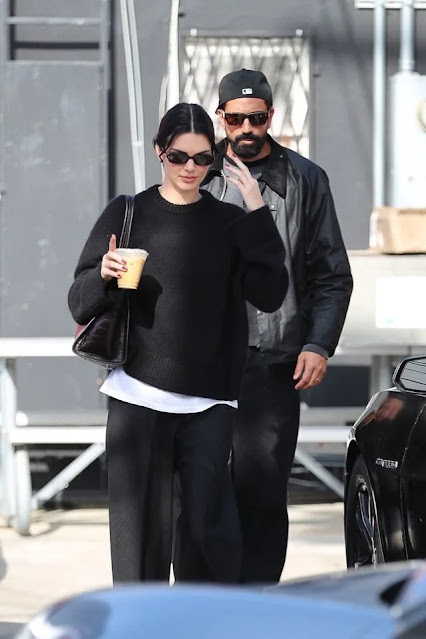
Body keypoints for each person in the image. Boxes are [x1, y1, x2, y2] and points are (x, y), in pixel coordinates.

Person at [68, 102, 288, 585]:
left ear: (215, 158)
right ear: (159, 152)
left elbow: (271, 294)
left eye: (202, 158)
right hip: (137, 395)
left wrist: (256, 210)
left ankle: (198, 619)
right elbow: (79, 302)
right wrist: (103, 274)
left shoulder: (230, 221)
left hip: (209, 400)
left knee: (208, 533)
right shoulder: (128, 212)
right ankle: (141, 619)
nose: (190, 167)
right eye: (178, 156)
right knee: (139, 535)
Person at [202, 69, 353, 584]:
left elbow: (332, 274)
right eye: (236, 118)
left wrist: (319, 343)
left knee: (263, 490)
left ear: (271, 116)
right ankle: (204, 601)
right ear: (221, 117)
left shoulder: (306, 178)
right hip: (201, 360)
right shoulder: (198, 170)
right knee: (199, 489)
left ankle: (259, 601)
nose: (247, 128)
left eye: (257, 117)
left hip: (274, 361)